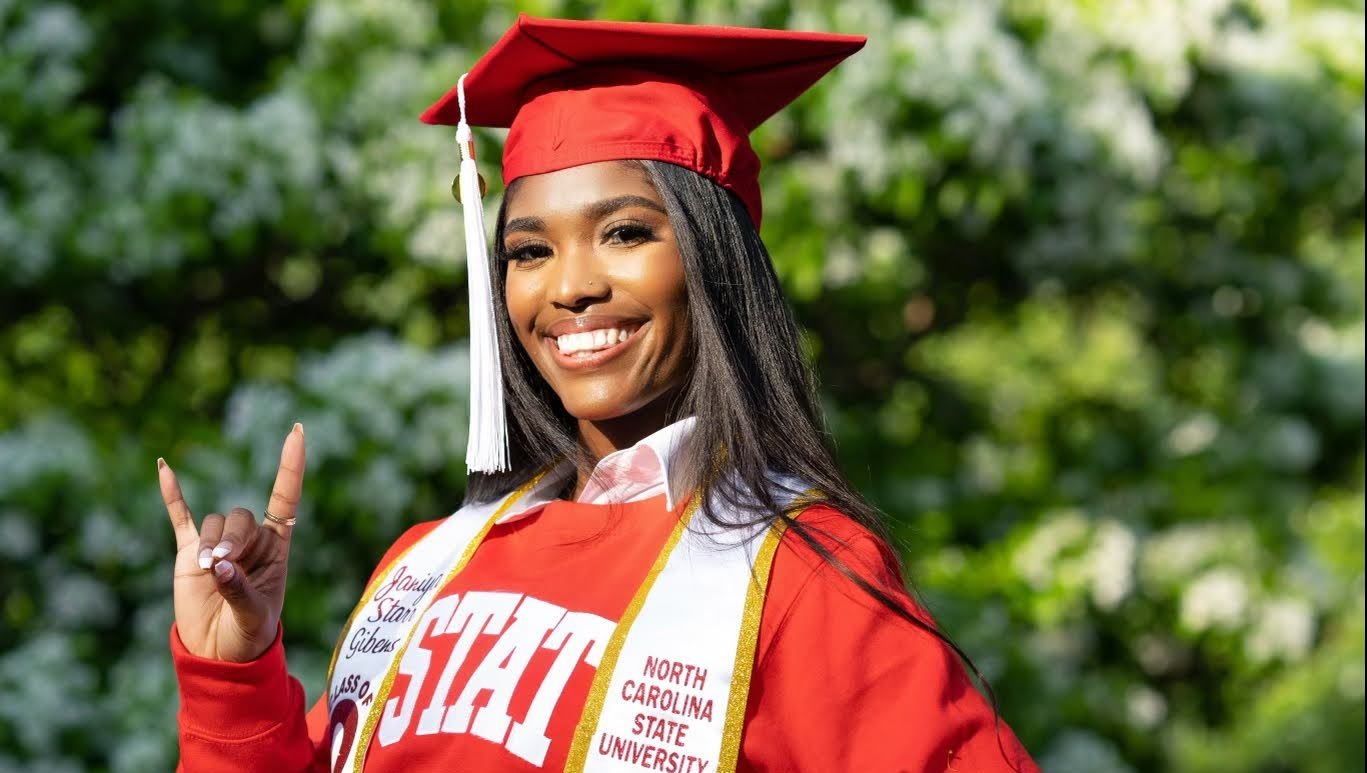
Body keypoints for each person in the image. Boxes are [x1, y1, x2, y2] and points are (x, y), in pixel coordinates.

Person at [160, 15, 1040, 773]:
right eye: (529, 251)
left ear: (713, 263)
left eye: (623, 232)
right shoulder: (432, 564)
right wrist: (232, 678)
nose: (569, 286)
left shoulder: (798, 572)